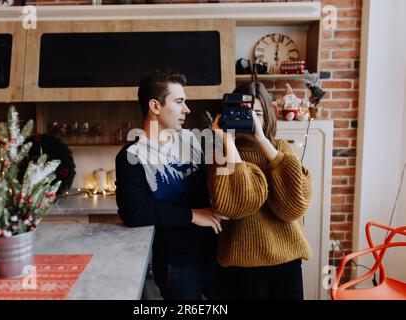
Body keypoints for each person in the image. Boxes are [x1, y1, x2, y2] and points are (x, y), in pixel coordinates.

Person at [115, 69, 223, 300]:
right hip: (177, 265)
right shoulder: (132, 155)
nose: (187, 109)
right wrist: (192, 215)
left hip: (216, 255)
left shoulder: (191, 139)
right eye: (179, 101)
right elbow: (134, 212)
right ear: (155, 106)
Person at [208, 81, 313, 300]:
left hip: (288, 262)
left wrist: (263, 141)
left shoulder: (280, 149)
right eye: (244, 113)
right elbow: (233, 206)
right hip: (242, 268)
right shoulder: (221, 154)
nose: (251, 119)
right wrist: (228, 143)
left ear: (267, 117)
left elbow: (295, 206)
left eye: (257, 113)